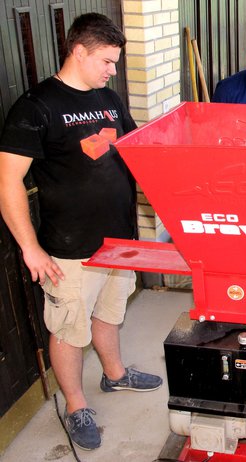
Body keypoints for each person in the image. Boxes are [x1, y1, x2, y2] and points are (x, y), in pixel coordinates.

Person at [0, 13, 162, 451]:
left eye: (116, 62)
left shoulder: (108, 97)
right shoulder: (36, 106)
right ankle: (76, 406)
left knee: (110, 311)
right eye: (107, 61)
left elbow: (133, 151)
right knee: (71, 328)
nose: (113, 70)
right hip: (70, 247)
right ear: (79, 51)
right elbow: (8, 181)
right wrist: (30, 248)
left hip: (119, 241)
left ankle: (115, 375)